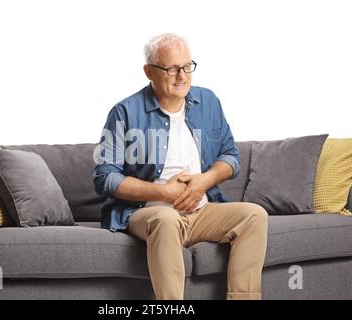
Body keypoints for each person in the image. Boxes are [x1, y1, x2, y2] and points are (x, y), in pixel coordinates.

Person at [93, 33, 268, 300]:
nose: (182, 76)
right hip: (148, 214)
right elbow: (105, 178)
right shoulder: (125, 112)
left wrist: (205, 181)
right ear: (149, 71)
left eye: (187, 66)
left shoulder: (208, 102)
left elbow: (231, 157)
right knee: (166, 217)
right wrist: (163, 193)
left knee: (254, 215)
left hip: (202, 210)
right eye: (172, 68)